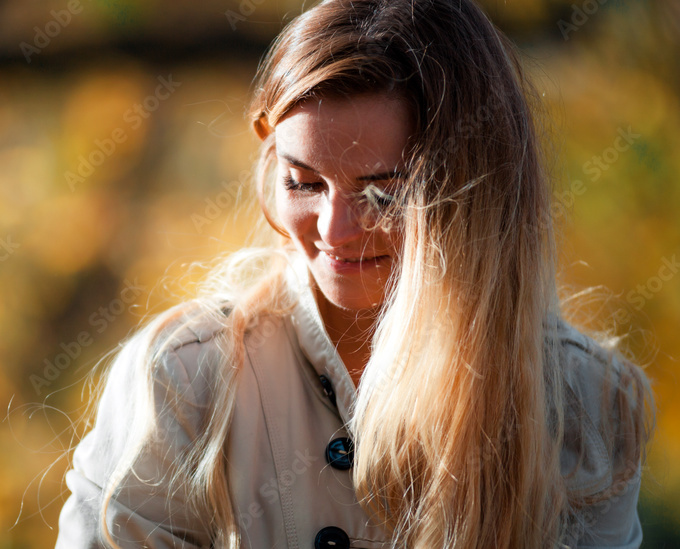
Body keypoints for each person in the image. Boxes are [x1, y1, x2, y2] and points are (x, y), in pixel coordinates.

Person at [54, 0, 655, 547]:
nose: (334, 230)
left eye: (385, 194)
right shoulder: (184, 380)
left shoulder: (584, 405)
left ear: (478, 199)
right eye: (303, 183)